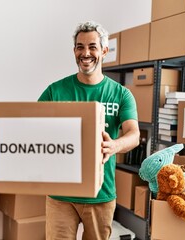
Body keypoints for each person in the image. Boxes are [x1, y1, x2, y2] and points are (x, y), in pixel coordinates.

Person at [38, 21, 140, 240]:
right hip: (60, 194)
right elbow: (34, 127)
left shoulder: (121, 94)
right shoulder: (55, 91)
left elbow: (134, 134)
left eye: (92, 47)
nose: (86, 53)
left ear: (104, 50)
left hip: (100, 194)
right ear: (74, 51)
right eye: (80, 47)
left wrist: (115, 145)